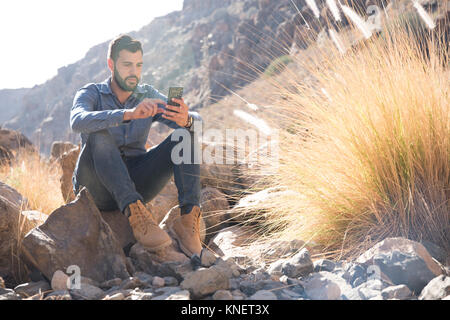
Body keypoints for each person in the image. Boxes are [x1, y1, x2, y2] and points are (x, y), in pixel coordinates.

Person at [70, 34, 203, 257]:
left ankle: (188, 222)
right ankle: (136, 215)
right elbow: (77, 121)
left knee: (186, 134)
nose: (134, 72)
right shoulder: (90, 93)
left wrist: (186, 118)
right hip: (96, 187)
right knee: (98, 133)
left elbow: (197, 123)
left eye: (139, 65)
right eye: (127, 65)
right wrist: (128, 114)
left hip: (137, 181)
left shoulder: (147, 94)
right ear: (111, 64)